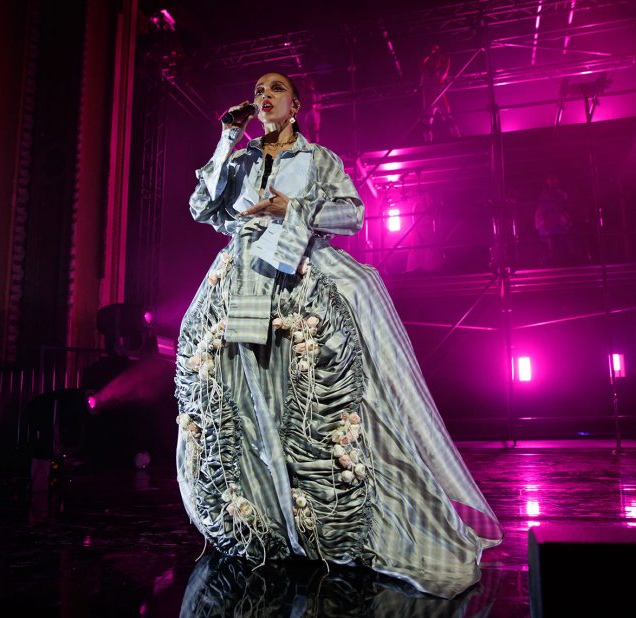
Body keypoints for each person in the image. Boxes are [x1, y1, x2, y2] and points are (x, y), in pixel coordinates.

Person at [175, 71, 502, 599]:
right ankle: (260, 520)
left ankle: (318, 521)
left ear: (296, 103)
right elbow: (202, 207)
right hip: (236, 282)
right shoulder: (236, 159)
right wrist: (224, 139)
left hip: (292, 279)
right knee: (237, 401)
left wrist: (291, 208)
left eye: (276, 89)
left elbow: (352, 214)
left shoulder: (318, 158)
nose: (264, 97)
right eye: (258, 91)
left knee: (297, 401)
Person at [420, 44, 460, 144]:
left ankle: (458, 138)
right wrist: (431, 54)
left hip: (439, 98)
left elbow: (447, 63)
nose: (435, 63)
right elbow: (422, 63)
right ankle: (428, 143)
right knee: (427, 124)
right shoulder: (425, 73)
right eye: (433, 61)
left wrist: (438, 53)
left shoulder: (440, 73)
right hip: (429, 100)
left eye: (436, 61)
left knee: (449, 119)